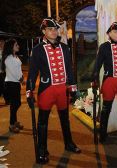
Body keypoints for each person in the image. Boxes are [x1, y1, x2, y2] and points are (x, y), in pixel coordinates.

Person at [26, 17, 81, 164]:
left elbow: (69, 69)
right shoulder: (37, 50)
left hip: (62, 89)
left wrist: (73, 86)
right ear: (44, 31)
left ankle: (69, 143)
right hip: (47, 90)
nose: (54, 31)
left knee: (65, 119)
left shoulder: (64, 47)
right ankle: (42, 150)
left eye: (55, 29)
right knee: (42, 122)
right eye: (50, 29)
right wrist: (29, 92)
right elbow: (32, 73)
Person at [1, 38, 24, 133]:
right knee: (15, 104)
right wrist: (21, 78)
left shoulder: (15, 56)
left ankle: (14, 122)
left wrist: (21, 77)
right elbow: (14, 72)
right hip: (11, 83)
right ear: (11, 47)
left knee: (16, 103)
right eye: (16, 45)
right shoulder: (9, 58)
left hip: (15, 83)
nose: (18, 46)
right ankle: (11, 124)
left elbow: (18, 69)